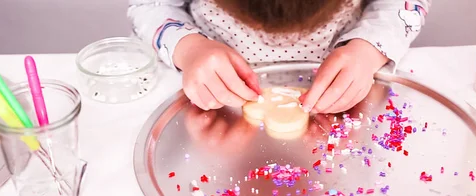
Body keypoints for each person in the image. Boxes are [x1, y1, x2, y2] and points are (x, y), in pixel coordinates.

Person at [128, 0, 430, 114]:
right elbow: (149, 5)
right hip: (210, 85)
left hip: (346, 79)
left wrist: (368, 49)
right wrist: (189, 48)